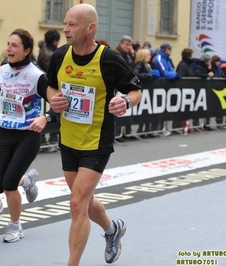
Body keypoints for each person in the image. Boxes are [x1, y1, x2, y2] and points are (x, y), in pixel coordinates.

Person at [46, 4, 142, 265]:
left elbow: (136, 91)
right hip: (68, 139)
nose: (65, 29)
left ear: (90, 28)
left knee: (77, 203)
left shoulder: (108, 59)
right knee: (84, 201)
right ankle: (112, 230)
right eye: (65, 23)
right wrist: (54, 99)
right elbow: (51, 87)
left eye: (72, 25)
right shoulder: (60, 56)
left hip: (96, 141)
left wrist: (126, 102)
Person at [0, 28, 57, 241]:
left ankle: (15, 225)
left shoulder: (37, 75)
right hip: (6, 132)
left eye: (14, 45)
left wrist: (46, 117)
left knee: (8, 184)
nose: (9, 48)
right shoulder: (4, 69)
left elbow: (58, 101)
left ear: (26, 50)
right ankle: (27, 181)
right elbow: (0, 93)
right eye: (8, 44)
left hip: (28, 134)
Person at [37, 29, 61, 151]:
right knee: (51, 115)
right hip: (49, 87)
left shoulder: (45, 49)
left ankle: (50, 141)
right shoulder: (51, 54)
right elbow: (52, 73)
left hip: (47, 86)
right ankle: (47, 142)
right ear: (55, 41)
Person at [153, 42, 180, 135]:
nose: (171, 51)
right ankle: (157, 129)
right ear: (165, 50)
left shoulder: (168, 59)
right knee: (159, 106)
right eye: (169, 49)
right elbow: (165, 73)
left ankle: (163, 128)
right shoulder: (159, 58)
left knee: (166, 107)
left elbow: (171, 70)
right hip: (160, 86)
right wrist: (175, 75)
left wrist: (174, 74)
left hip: (167, 87)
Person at [132, 48, 156, 136]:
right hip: (142, 90)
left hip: (147, 90)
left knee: (147, 111)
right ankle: (141, 130)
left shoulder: (148, 65)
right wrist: (149, 75)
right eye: (148, 55)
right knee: (143, 111)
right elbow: (135, 74)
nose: (150, 56)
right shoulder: (140, 64)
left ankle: (146, 130)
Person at [194, 53, 214, 129]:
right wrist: (207, 75)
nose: (210, 62)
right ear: (206, 61)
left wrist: (210, 69)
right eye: (209, 60)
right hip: (199, 89)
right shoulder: (199, 66)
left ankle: (207, 124)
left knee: (207, 107)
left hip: (206, 89)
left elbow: (211, 74)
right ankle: (197, 124)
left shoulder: (206, 67)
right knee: (198, 108)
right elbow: (198, 74)